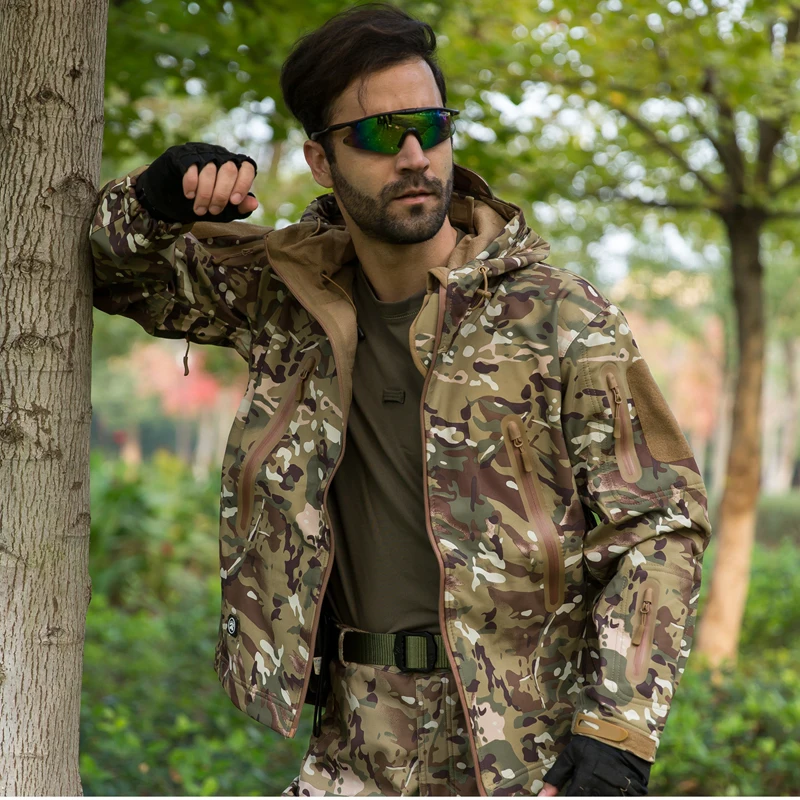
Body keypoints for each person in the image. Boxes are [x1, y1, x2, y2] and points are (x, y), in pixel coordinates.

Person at [88, 3, 711, 796]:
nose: (415, 156)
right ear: (321, 160)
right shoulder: (286, 297)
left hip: (524, 750)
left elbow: (659, 523)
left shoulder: (557, 314)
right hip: (353, 743)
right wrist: (158, 195)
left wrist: (616, 737)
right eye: (381, 135)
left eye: (431, 127)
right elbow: (113, 274)